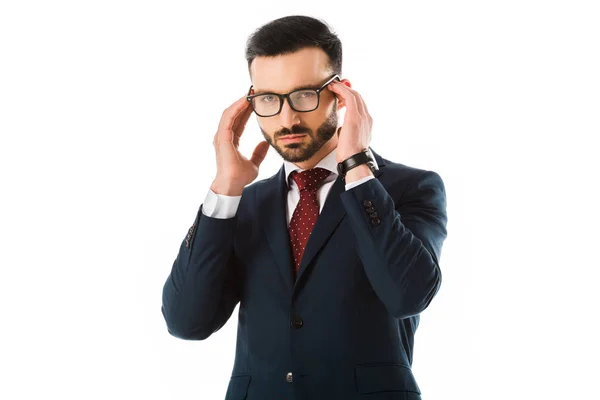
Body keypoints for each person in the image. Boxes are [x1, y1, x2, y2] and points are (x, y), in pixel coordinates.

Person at [161, 15, 448, 400]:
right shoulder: (241, 206)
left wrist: (358, 171)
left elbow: (407, 296)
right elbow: (186, 321)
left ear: (342, 95)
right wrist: (225, 189)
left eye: (304, 95)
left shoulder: (408, 188)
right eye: (269, 100)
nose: (287, 118)